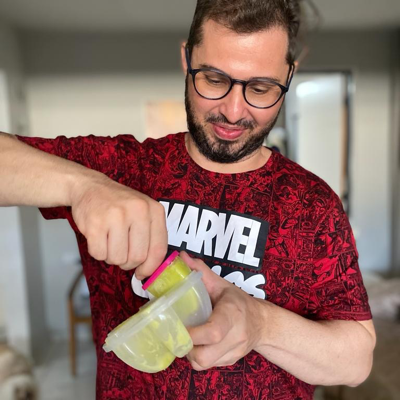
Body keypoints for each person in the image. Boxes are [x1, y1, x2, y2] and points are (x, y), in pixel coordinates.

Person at [0, 0, 376, 399]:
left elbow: (355, 363)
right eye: (214, 79)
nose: (234, 111)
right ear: (187, 59)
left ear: (288, 77)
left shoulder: (312, 205)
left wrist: (260, 324)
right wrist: (82, 186)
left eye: (260, 88)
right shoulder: (122, 168)